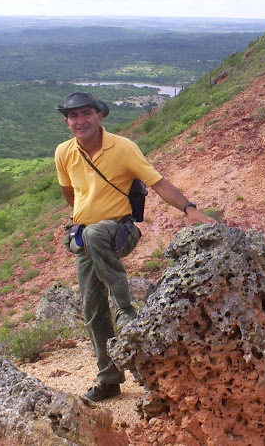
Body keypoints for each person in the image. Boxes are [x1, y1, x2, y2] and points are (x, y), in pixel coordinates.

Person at [54, 91, 216, 402]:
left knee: (96, 234)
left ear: (99, 115)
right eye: (74, 116)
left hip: (119, 232)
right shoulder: (64, 152)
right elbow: (69, 194)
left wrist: (190, 209)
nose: (80, 120)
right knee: (91, 307)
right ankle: (109, 378)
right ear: (67, 122)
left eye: (86, 113)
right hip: (88, 238)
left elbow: (158, 183)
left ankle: (126, 308)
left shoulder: (123, 148)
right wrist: (81, 217)